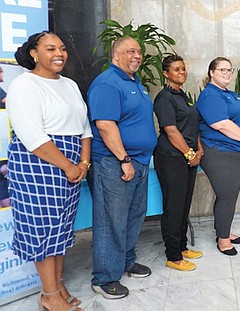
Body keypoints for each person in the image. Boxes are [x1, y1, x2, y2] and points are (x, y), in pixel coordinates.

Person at [8, 31, 91, 311]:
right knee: (43, 229)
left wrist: (83, 163)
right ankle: (49, 295)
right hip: (39, 162)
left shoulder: (69, 84)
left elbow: (85, 128)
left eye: (63, 48)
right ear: (34, 53)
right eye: (51, 48)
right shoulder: (24, 85)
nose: (59, 53)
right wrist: (68, 165)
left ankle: (57, 284)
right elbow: (32, 136)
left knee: (61, 228)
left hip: (72, 162)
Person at [87, 37, 157, 299]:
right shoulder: (107, 83)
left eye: (139, 51)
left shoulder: (134, 82)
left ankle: (126, 261)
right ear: (116, 55)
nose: (137, 55)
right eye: (131, 51)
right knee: (111, 221)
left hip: (138, 162)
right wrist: (124, 160)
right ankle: (104, 278)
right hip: (114, 163)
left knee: (133, 216)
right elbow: (105, 126)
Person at [196, 57, 240, 256]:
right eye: (222, 70)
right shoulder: (210, 95)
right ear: (211, 72)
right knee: (226, 196)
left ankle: (225, 231)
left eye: (230, 70)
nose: (228, 74)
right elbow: (220, 124)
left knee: (230, 195)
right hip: (220, 152)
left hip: (237, 151)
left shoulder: (232, 94)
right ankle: (223, 240)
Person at [153, 55, 204, 271]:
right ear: (166, 74)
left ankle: (182, 247)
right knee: (173, 207)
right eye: (176, 69)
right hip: (172, 158)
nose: (181, 72)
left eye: (183, 68)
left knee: (183, 205)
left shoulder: (183, 96)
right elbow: (171, 131)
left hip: (189, 156)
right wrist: (189, 154)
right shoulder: (164, 98)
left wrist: (198, 150)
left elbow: (193, 125)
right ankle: (173, 256)